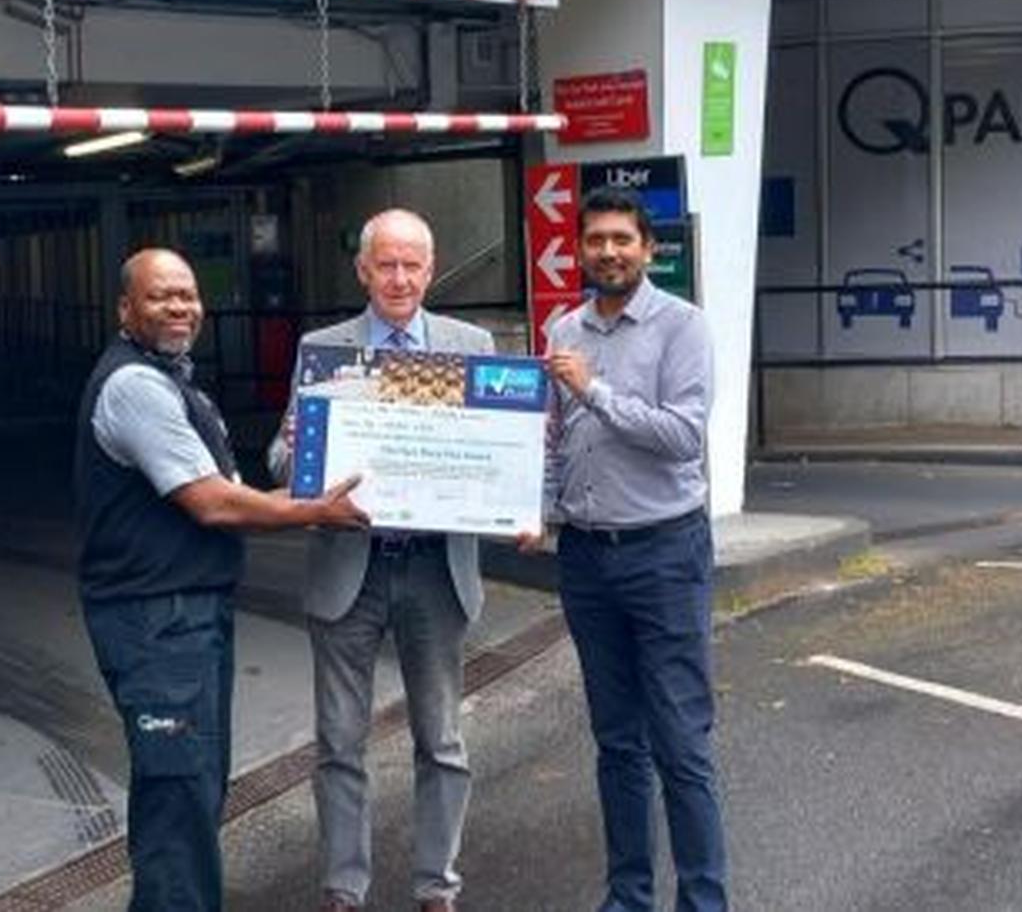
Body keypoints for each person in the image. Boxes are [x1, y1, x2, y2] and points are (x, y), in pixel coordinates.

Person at [78, 248, 371, 912]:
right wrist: (312, 510)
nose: (179, 306)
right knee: (178, 793)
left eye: (187, 295)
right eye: (160, 297)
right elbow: (212, 502)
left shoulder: (178, 383)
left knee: (195, 787)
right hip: (155, 620)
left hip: (187, 616)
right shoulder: (135, 387)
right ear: (125, 309)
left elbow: (235, 488)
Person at [266, 208, 494, 912]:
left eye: (411, 265)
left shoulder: (471, 343)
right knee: (339, 741)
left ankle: (437, 887)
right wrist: (308, 450)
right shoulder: (324, 349)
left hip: (435, 568)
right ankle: (343, 888)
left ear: (432, 269)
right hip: (349, 568)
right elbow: (278, 457)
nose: (399, 278)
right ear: (362, 270)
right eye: (385, 265)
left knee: (443, 739)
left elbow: (502, 451)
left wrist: (518, 498)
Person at [522, 186, 727, 912]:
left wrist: (596, 390)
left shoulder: (683, 326)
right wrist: (535, 510)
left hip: (664, 553)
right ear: (578, 249)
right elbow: (552, 437)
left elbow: (681, 436)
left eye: (622, 240)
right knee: (616, 743)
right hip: (585, 558)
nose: (608, 252)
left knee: (681, 741)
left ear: (649, 249)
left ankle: (703, 902)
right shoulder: (562, 325)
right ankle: (628, 896)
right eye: (596, 240)